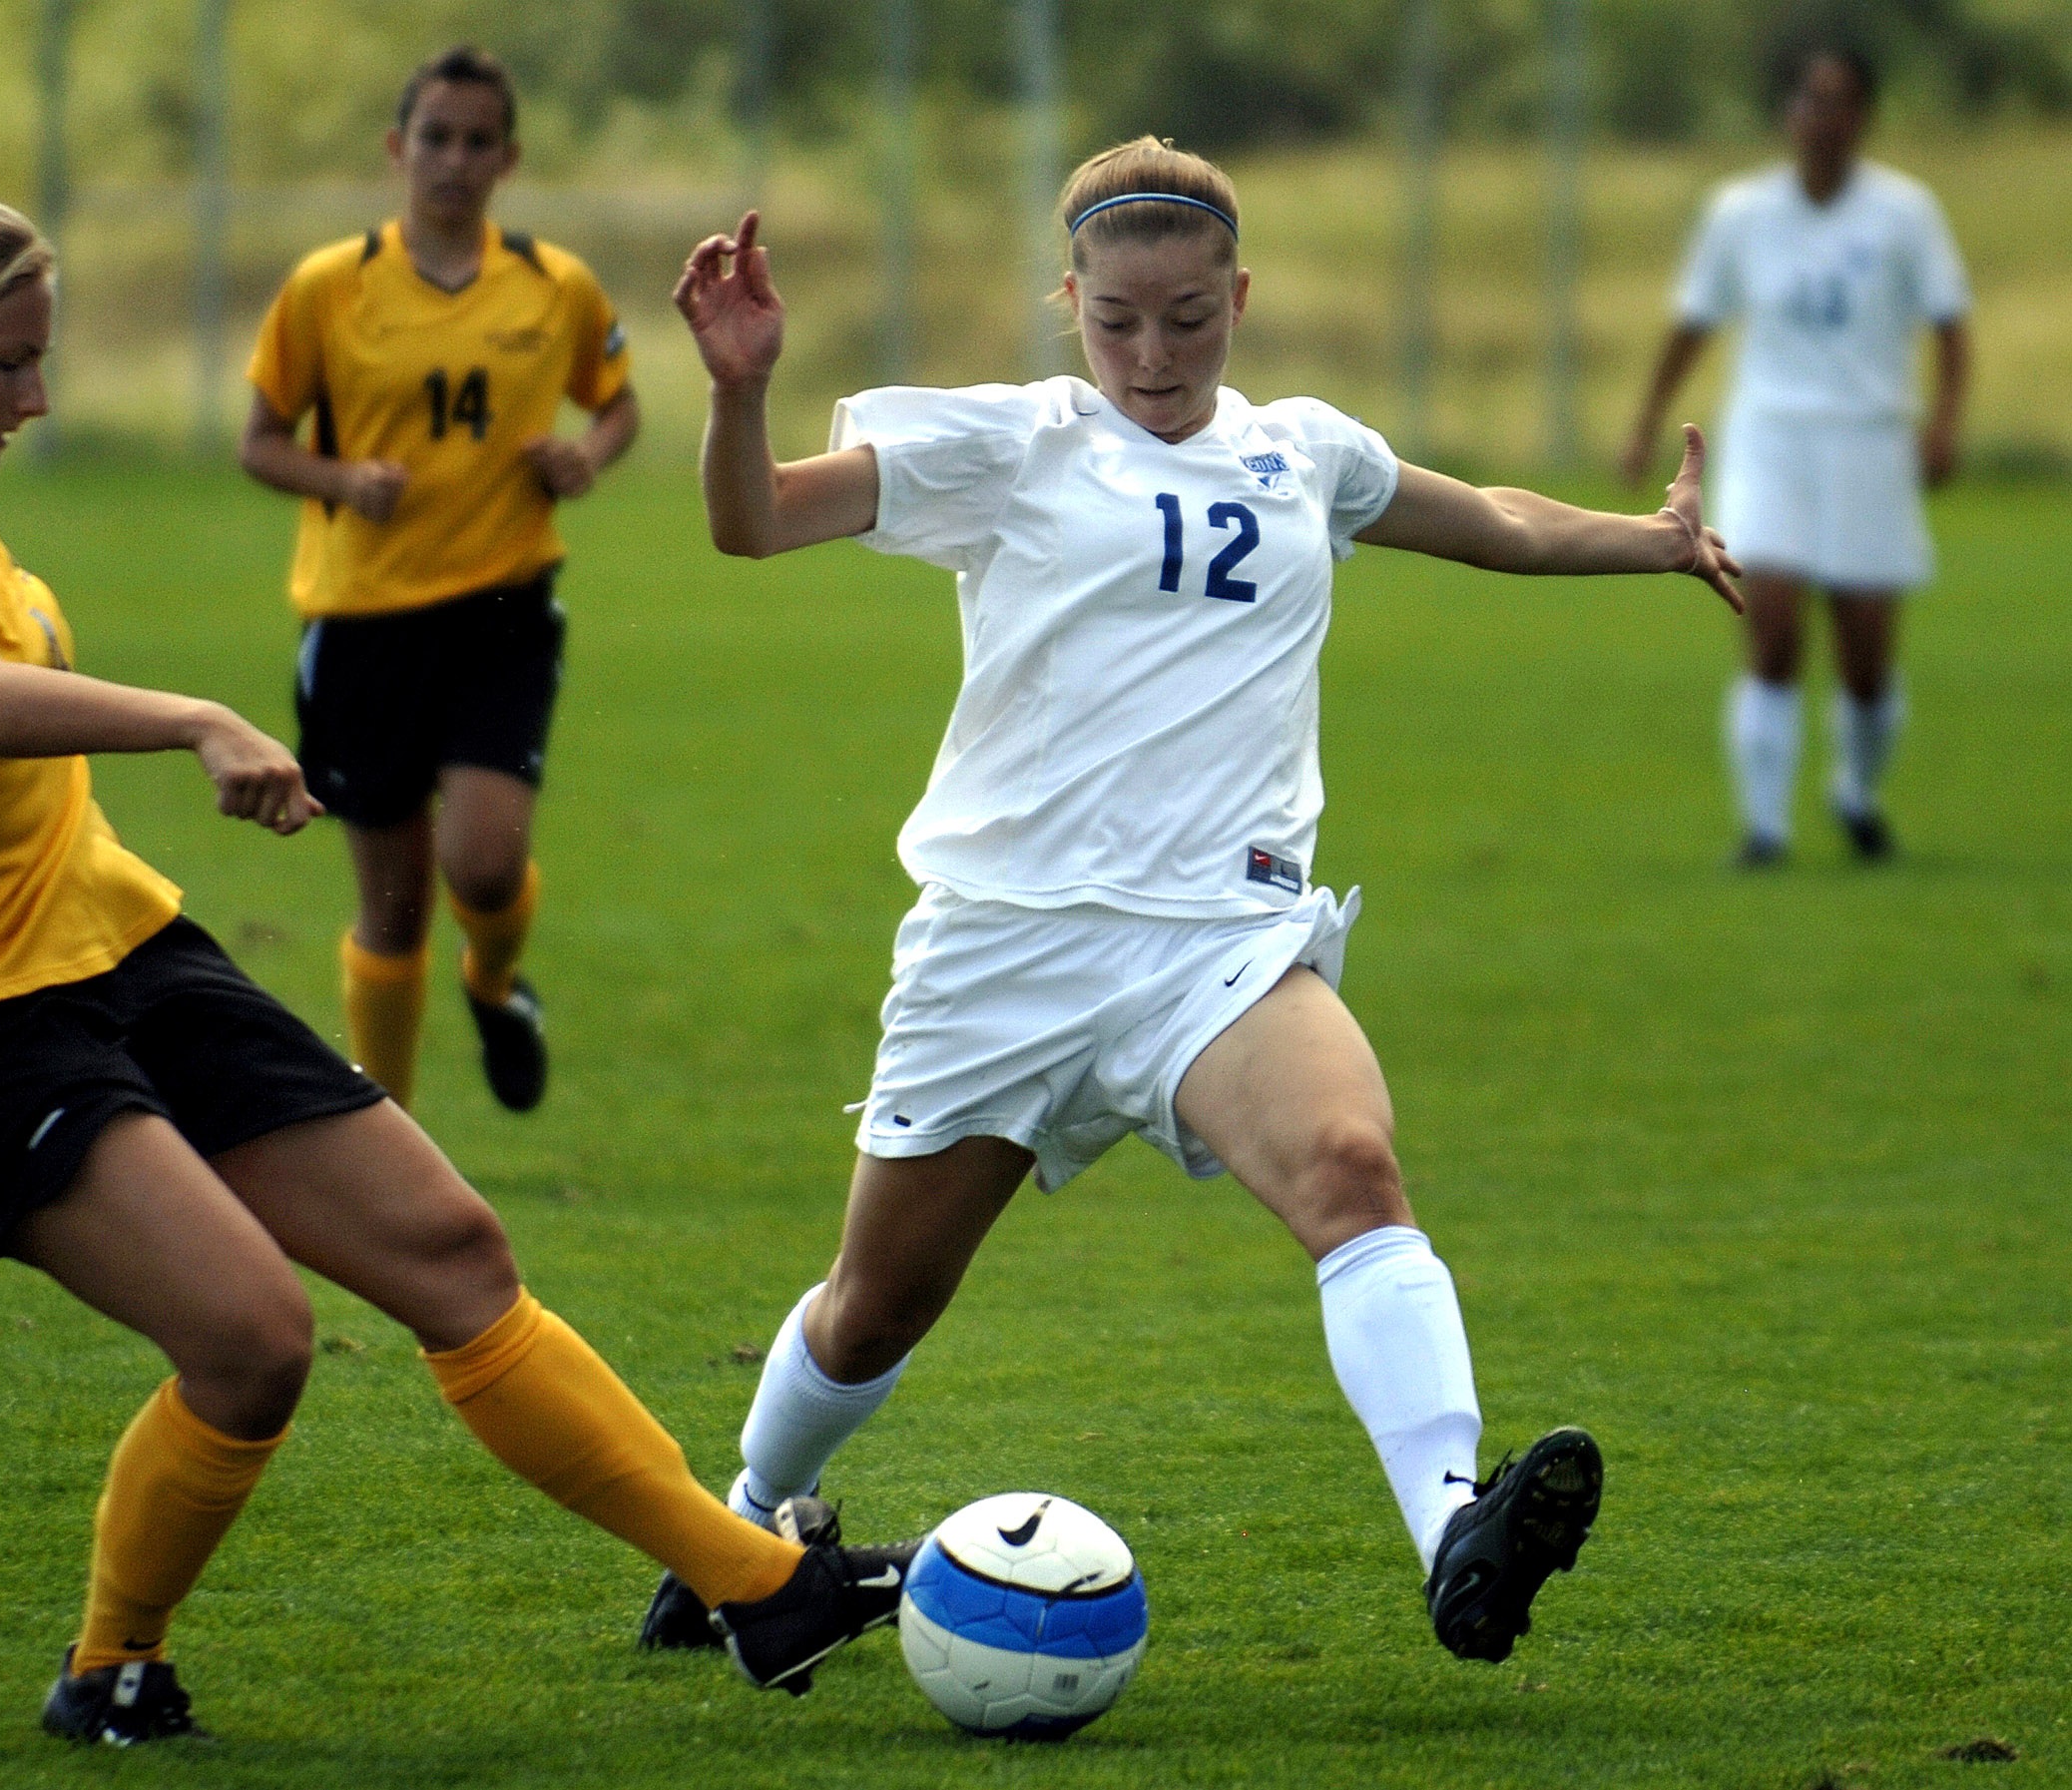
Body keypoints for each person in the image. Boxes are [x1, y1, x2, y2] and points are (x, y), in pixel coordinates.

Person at [0, 186, 910, 1744]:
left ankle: (758, 1588)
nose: (41, 396)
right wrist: (197, 717)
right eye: (11, 363)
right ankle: (111, 1664)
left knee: (454, 1252)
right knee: (252, 1343)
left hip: (120, 948)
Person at [640, 140, 1747, 1667]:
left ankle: (1455, 1528)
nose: (1152, 355)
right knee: (874, 1309)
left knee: (1354, 1167)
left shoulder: (1309, 452)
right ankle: (747, 1522)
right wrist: (739, 384)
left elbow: (1488, 518)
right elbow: (751, 519)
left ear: (1241, 297)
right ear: (1069, 304)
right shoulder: (1006, 445)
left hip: (1218, 946)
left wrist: (1660, 541)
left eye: (1187, 318)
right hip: (1006, 945)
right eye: (1116, 322)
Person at [238, 45, 638, 1114]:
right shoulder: (330, 286)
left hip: (503, 606)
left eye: (476, 142)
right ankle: (392, 1143)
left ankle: (497, 981)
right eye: (435, 138)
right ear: (396, 148)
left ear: (508, 158)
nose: (454, 160)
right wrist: (338, 476)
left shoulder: (554, 286)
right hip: (363, 619)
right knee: (396, 906)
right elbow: (259, 441)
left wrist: (583, 458)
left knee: (488, 865)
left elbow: (618, 402)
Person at [1623, 41, 1969, 866]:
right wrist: (1646, 421)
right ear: (1789, 113)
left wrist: (1945, 422)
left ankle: (1857, 792)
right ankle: (1766, 829)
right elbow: (1693, 322)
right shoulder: (1741, 212)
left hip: (1870, 440)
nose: (1825, 118)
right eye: (1811, 100)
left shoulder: (1905, 213)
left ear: (1864, 116)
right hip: (1774, 439)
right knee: (1771, 628)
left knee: (1866, 658)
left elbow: (1951, 327)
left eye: (1842, 100)